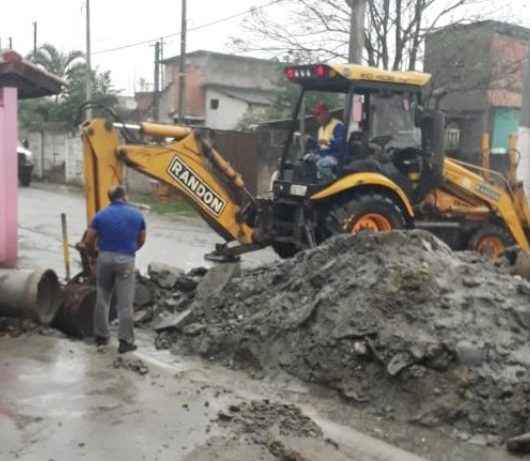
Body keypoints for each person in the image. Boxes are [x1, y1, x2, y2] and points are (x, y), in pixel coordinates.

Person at [82, 185, 146, 354]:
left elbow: (88, 240)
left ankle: (101, 337)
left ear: (110, 198)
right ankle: (125, 342)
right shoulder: (136, 214)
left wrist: (93, 257)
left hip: (105, 258)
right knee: (125, 303)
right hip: (126, 259)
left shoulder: (101, 215)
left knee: (103, 298)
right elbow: (141, 239)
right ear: (124, 196)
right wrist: (129, 251)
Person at [312, 102, 346, 178]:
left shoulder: (337, 125)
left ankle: (333, 181)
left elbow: (341, 144)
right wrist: (314, 153)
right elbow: (319, 147)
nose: (317, 117)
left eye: (319, 114)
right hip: (324, 155)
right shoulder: (320, 129)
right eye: (316, 115)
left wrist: (328, 142)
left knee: (321, 164)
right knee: (308, 160)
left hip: (336, 156)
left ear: (326, 113)